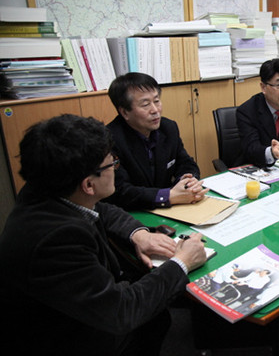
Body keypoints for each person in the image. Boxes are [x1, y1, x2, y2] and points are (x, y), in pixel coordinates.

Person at [0, 114, 208, 356]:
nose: (115, 169)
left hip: (71, 310)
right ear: (89, 184)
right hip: (61, 337)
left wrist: (139, 234)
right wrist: (182, 262)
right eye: (113, 164)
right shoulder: (56, 241)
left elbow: (101, 208)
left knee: (156, 315)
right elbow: (122, 312)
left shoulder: (49, 187)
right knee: (152, 317)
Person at [105, 72, 208, 210]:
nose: (155, 110)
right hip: (132, 213)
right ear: (124, 112)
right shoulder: (109, 140)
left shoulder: (168, 128)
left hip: (170, 209)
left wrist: (188, 182)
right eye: (145, 104)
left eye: (157, 101)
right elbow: (120, 191)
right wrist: (168, 195)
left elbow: (185, 163)